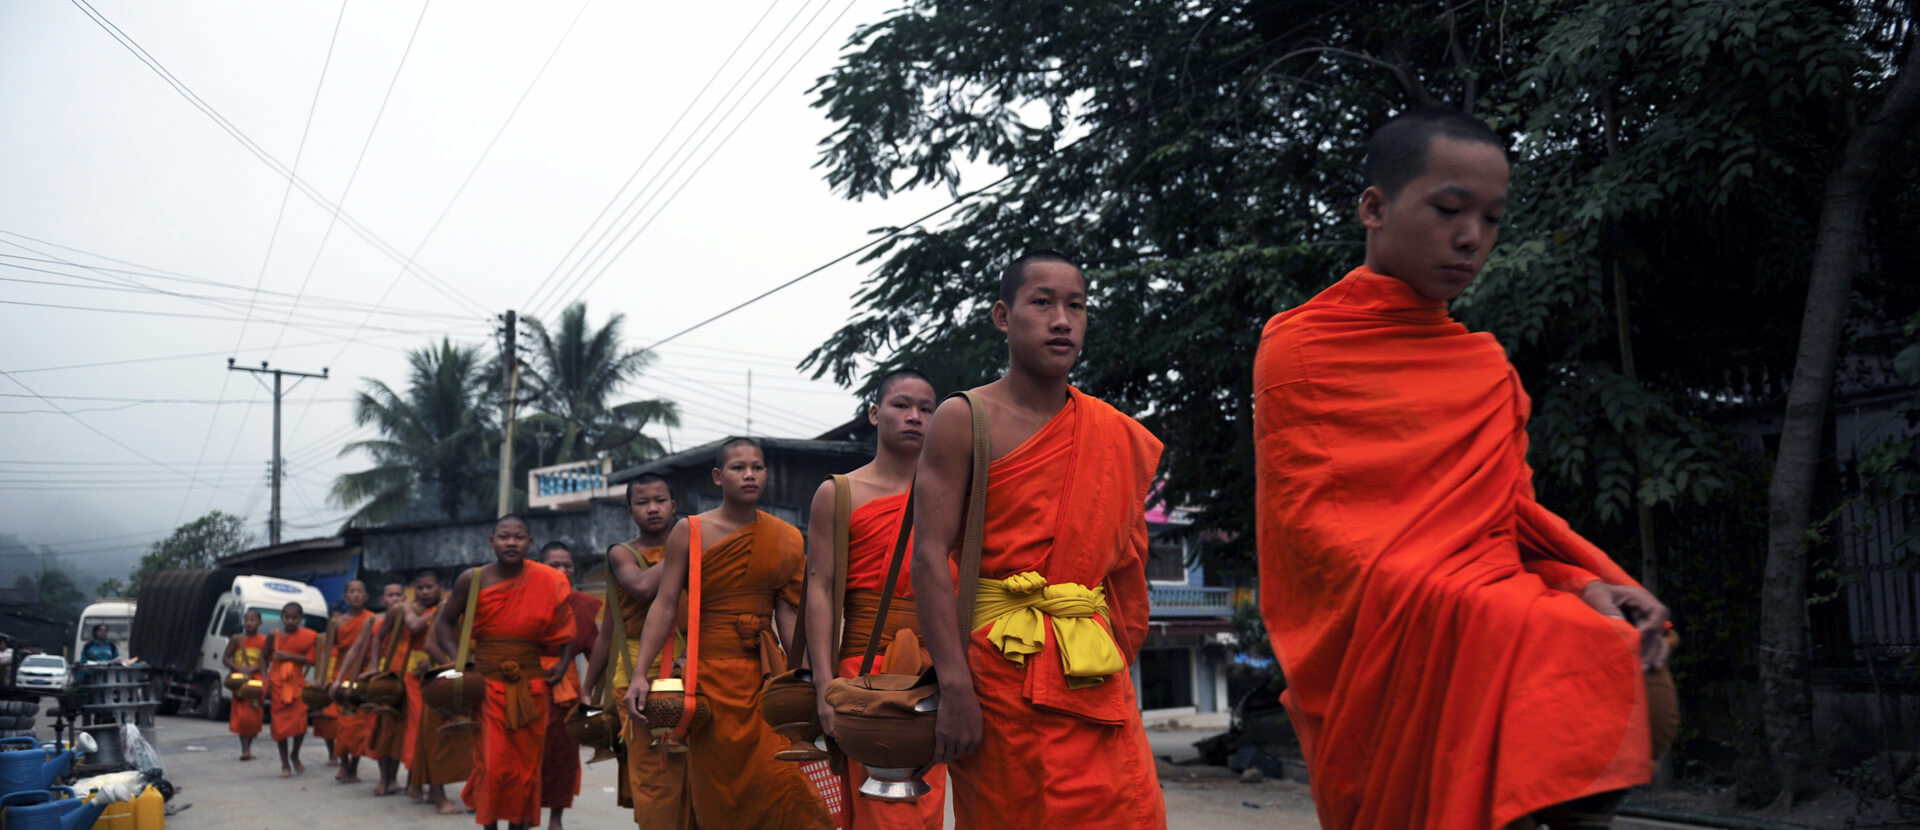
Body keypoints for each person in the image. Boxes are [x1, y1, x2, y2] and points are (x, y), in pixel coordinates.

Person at [1252, 108, 1678, 829]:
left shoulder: (1483, 368)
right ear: (1375, 208)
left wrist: (1585, 582)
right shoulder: (1303, 348)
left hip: (1490, 599)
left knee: (1637, 677)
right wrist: (1454, 600)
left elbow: (1503, 519)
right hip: (1394, 625)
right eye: (1450, 209)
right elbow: (1322, 544)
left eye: (1491, 218)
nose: (1471, 237)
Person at [910, 251, 1167, 828]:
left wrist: (1117, 655)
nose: (1062, 320)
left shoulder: (1111, 432)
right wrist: (954, 686)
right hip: (1001, 672)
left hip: (1094, 673)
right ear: (1003, 316)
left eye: (1075, 306)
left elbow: (1126, 566)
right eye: (1042, 303)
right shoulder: (964, 417)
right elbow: (927, 558)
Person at [627, 438, 833, 829]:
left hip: (765, 679)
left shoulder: (786, 537)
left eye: (757, 467)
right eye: (739, 467)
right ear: (719, 477)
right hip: (708, 680)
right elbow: (665, 603)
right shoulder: (690, 531)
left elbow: (789, 615)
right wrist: (640, 674)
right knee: (719, 790)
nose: (750, 474)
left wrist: (807, 680)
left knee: (782, 780)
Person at [805, 369, 947, 830]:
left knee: (924, 809)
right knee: (882, 812)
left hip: (935, 673)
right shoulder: (839, 493)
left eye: (927, 409)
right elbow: (821, 590)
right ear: (873, 413)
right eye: (901, 405)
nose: (915, 417)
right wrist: (824, 685)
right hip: (863, 672)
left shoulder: (954, 497)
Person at [430, 515, 577, 830]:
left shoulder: (550, 580)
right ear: (492, 541)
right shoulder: (473, 579)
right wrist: (461, 665)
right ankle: (490, 825)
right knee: (494, 764)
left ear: (530, 543)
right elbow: (443, 623)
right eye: (504, 536)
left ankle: (519, 825)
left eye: (519, 537)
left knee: (525, 766)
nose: (511, 542)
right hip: (487, 684)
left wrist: (564, 664)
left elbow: (566, 630)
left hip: (531, 684)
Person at [580, 473, 691, 830]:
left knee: (695, 772)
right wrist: (587, 688)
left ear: (674, 506)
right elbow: (628, 606)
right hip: (636, 674)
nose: (653, 508)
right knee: (653, 772)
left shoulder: (699, 548)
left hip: (689, 665)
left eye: (660, 500)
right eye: (643, 503)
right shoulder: (621, 553)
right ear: (630, 511)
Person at [534, 542, 602, 830]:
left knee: (563, 756)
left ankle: (556, 819)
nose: (563, 570)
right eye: (554, 565)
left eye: (568, 565)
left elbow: (597, 654)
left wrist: (590, 692)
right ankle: (524, 813)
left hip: (566, 692)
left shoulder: (581, 606)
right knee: (528, 755)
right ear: (539, 569)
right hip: (527, 686)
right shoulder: (526, 599)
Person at [405, 569, 471, 814]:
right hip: (444, 682)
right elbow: (430, 645)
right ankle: (440, 797)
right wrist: (455, 669)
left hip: (466, 681)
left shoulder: (478, 608)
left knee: (468, 740)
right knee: (437, 739)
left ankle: (447, 792)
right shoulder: (446, 608)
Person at [338, 582, 411, 797]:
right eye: (390, 595)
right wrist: (341, 679)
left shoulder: (412, 617)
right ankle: (382, 778)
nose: (396, 599)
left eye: (399, 594)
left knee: (398, 730)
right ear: (382, 600)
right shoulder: (373, 621)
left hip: (405, 675)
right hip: (380, 679)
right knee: (380, 727)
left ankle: (394, 779)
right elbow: (356, 650)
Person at [328, 581, 377, 784]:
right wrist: (328, 678)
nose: (356, 595)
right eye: (352, 591)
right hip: (341, 671)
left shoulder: (372, 619)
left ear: (366, 596)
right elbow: (328, 650)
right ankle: (343, 763)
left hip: (363, 672)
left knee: (358, 722)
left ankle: (354, 766)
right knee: (342, 722)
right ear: (345, 596)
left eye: (360, 591)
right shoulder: (337, 622)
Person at [264, 601, 318, 779]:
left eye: (295, 618)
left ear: (301, 619)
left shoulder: (309, 636)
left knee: (300, 725)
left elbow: (312, 659)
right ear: (282, 617)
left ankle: (295, 753)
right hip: (278, 684)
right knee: (280, 727)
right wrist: (265, 679)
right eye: (287, 617)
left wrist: (287, 656)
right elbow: (264, 658)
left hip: (296, 684)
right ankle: (285, 763)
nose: (290, 621)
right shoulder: (274, 635)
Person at [221, 609, 267, 762]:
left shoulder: (264, 641)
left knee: (253, 716)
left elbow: (267, 661)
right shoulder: (237, 639)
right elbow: (226, 657)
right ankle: (245, 750)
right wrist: (239, 668)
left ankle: (248, 747)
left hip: (256, 679)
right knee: (242, 715)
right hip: (240, 681)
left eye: (253, 620)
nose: (249, 623)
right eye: (247, 620)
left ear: (260, 622)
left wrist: (254, 669)